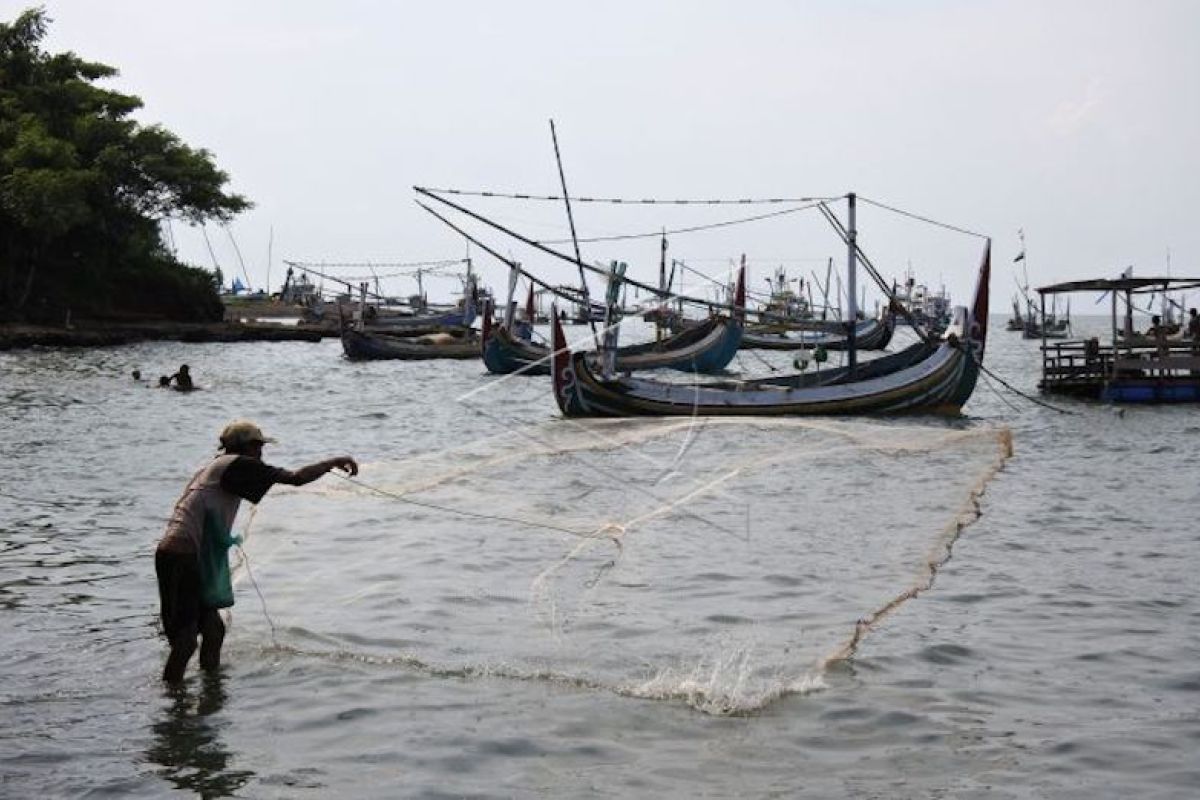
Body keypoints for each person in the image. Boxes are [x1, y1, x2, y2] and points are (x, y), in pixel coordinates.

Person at [154, 420, 358, 683]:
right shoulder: (237, 464)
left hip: (182, 555)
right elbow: (296, 478)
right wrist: (333, 461)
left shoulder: (218, 467)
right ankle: (174, 704)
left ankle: (211, 691)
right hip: (182, 556)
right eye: (258, 446)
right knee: (186, 640)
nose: (261, 453)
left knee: (213, 630)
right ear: (246, 446)